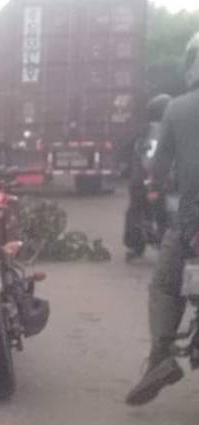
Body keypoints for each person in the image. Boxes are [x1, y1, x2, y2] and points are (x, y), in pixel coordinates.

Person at [126, 32, 199, 406]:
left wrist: (155, 186)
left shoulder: (178, 108)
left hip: (190, 224)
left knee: (164, 286)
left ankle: (161, 356)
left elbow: (159, 166)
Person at [123, 94, 172, 261]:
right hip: (161, 179)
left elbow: (126, 147)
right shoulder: (171, 129)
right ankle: (165, 245)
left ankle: (135, 246)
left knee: (135, 211)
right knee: (165, 211)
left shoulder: (142, 129)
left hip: (141, 179)